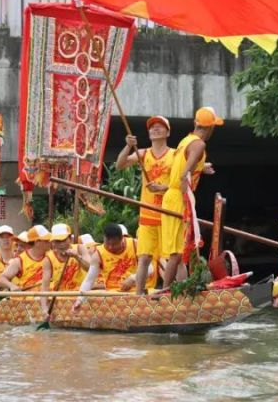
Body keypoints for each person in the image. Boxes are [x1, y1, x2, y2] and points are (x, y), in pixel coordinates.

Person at [161, 106, 221, 288]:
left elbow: (181, 166)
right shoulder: (200, 144)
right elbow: (183, 172)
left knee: (179, 251)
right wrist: (186, 189)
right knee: (177, 252)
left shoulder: (185, 141)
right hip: (180, 197)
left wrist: (199, 168)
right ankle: (163, 292)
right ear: (210, 128)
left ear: (195, 123)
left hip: (171, 196)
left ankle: (179, 289)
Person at [115, 115, 176, 295]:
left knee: (174, 257)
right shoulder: (143, 153)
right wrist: (128, 145)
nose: (155, 129)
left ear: (168, 132)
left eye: (160, 126)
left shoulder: (175, 154)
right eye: (152, 127)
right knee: (144, 258)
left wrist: (164, 188)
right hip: (148, 213)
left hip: (168, 213)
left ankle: (176, 292)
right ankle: (140, 295)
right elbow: (119, 164)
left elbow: (183, 181)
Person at [0, 224, 51, 292]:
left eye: (22, 245)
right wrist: (12, 286)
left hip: (47, 299)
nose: (50, 242)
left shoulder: (51, 257)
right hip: (26, 300)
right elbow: (1, 279)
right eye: (47, 240)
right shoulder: (19, 260)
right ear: (37, 242)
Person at [94, 222, 139, 291]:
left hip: (135, 291)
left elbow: (150, 268)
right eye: (107, 244)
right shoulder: (98, 252)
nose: (110, 247)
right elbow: (89, 280)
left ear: (122, 238)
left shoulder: (135, 244)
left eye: (114, 244)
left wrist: (133, 278)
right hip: (111, 294)